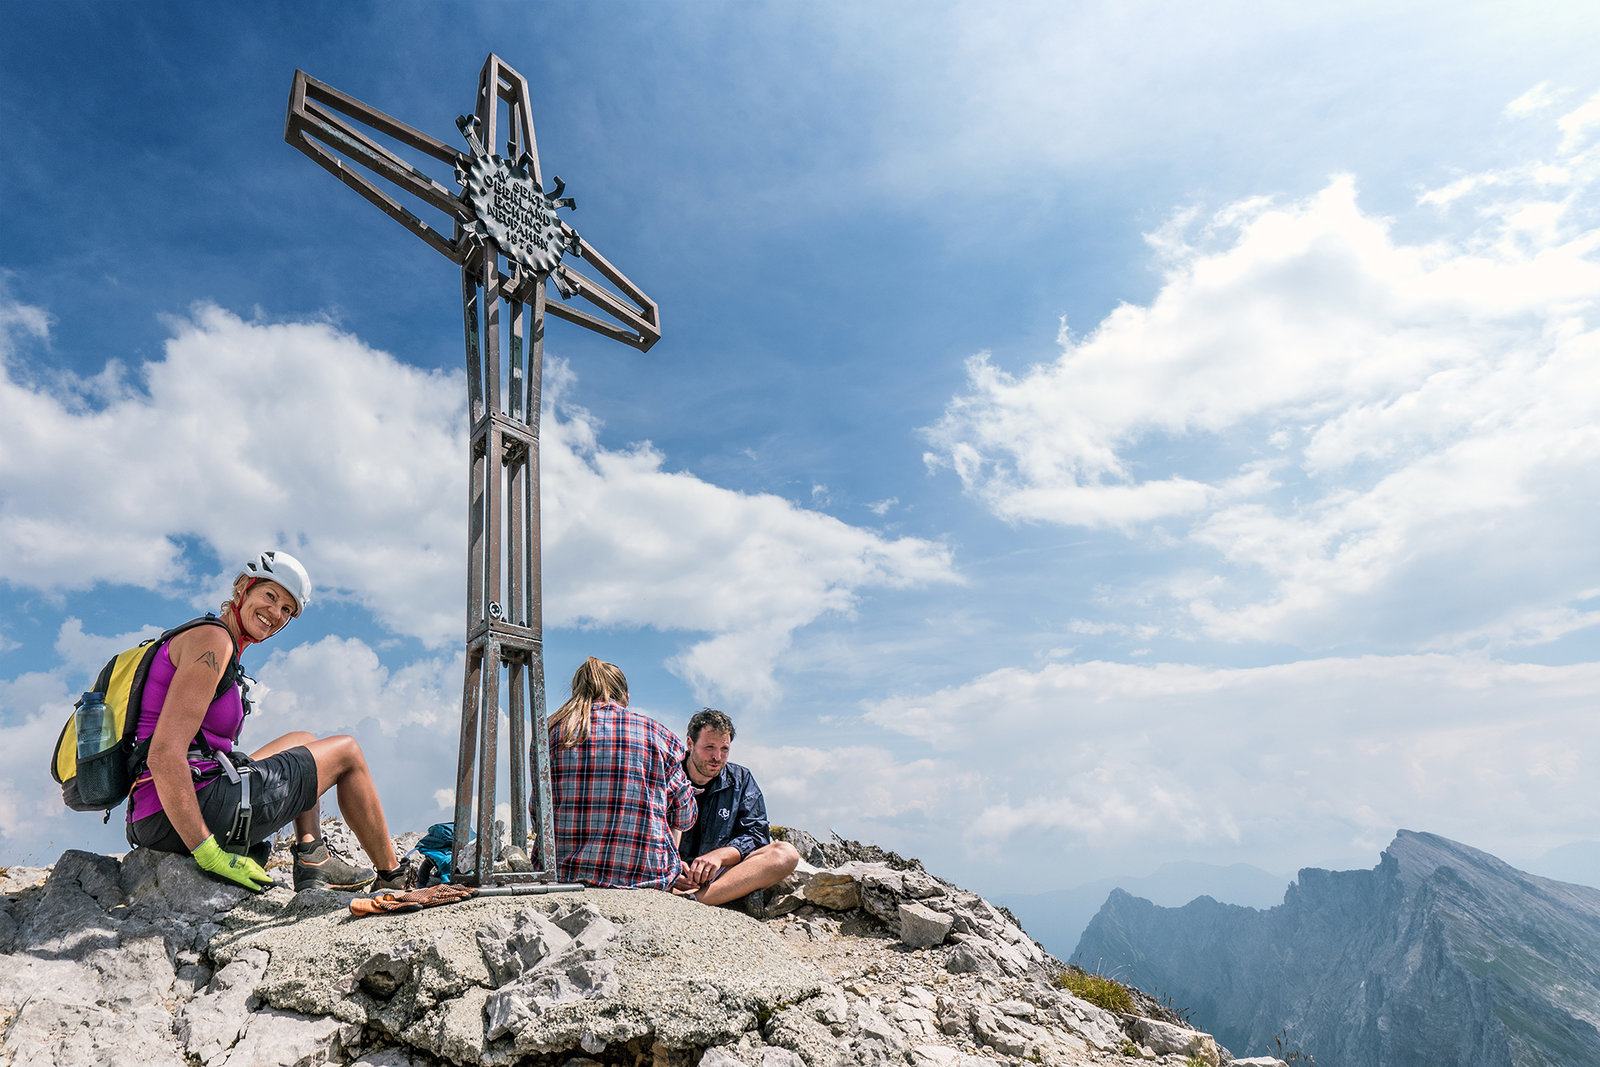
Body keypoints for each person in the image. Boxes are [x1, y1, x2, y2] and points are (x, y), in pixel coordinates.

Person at [125, 550, 404, 894]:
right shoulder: (212, 642)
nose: (276, 614)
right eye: (270, 596)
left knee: (303, 739)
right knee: (347, 752)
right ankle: (394, 877)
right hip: (177, 813)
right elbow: (164, 754)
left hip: (163, 810)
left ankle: (311, 856)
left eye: (287, 609)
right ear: (243, 589)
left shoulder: (215, 639)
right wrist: (208, 852)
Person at [545, 657, 697, 889]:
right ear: (626, 697)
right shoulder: (659, 735)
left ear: (576, 693)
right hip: (644, 878)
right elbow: (685, 816)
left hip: (564, 875)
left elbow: (539, 816)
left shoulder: (552, 732)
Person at [673, 708, 799, 906]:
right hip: (671, 873)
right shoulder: (668, 774)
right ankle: (711, 897)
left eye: (724, 749)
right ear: (690, 743)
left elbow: (757, 835)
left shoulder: (742, 779)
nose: (717, 757)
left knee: (786, 854)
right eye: (709, 747)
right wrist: (668, 863)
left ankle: (696, 900)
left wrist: (719, 856)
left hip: (719, 875)